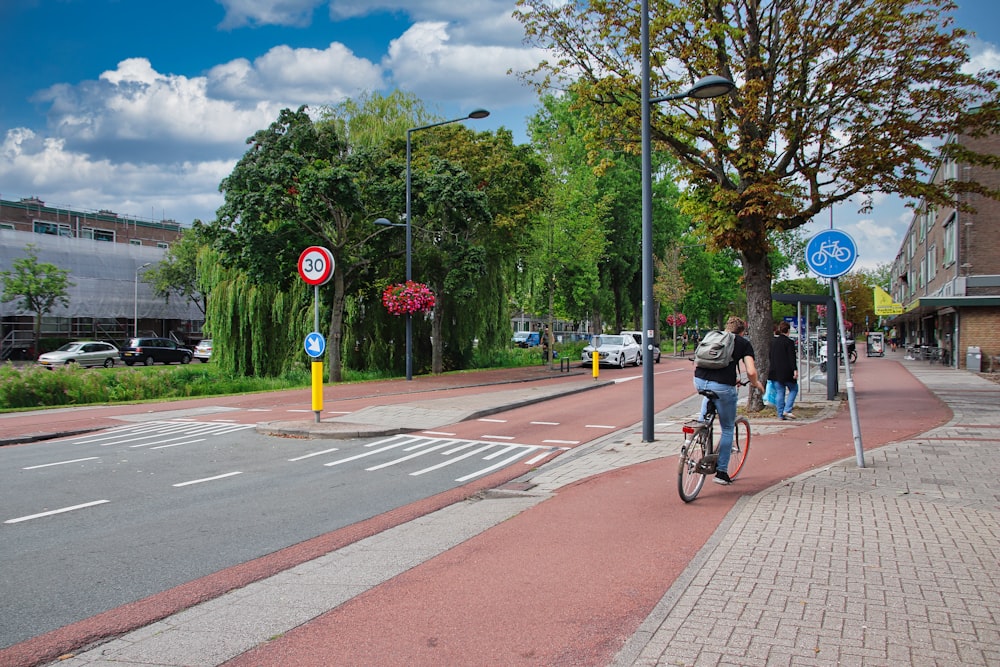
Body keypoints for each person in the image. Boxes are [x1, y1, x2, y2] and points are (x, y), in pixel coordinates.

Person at [693, 316, 766, 485]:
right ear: (742, 331)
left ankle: (701, 426)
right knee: (727, 428)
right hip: (723, 387)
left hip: (699, 380)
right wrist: (756, 384)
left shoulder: (712, 336)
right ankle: (722, 473)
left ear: (727, 327)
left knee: (709, 393)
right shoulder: (743, 343)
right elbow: (751, 371)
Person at [769, 321, 799, 420]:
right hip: (787, 372)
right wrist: (794, 370)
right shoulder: (789, 342)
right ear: (788, 330)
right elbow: (792, 358)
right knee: (794, 389)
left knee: (779, 392)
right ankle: (787, 409)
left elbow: (770, 356)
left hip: (775, 371)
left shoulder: (773, 342)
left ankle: (780, 414)